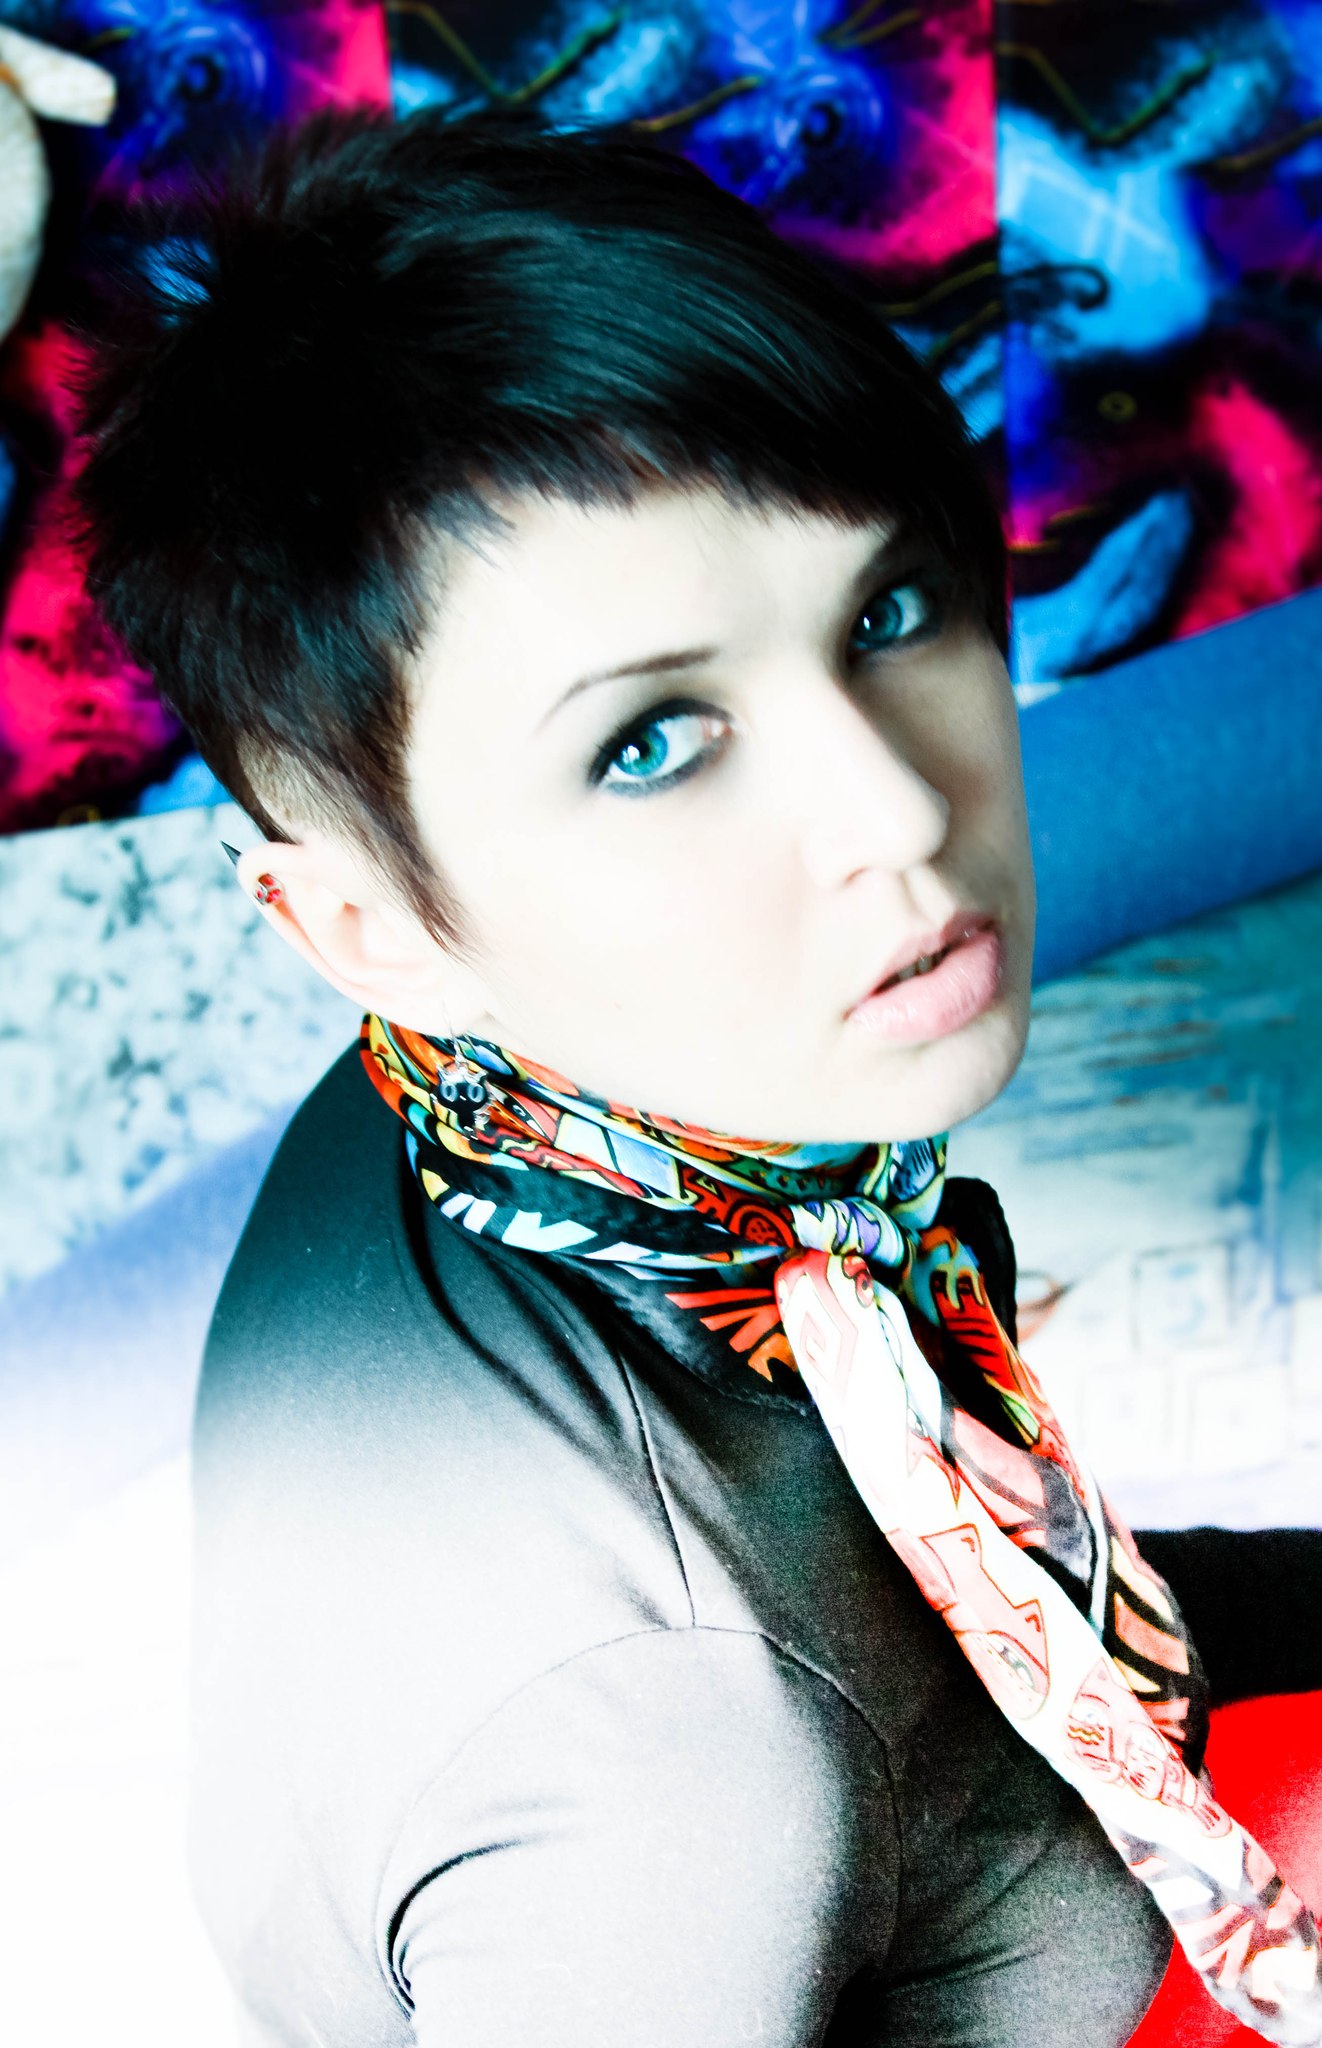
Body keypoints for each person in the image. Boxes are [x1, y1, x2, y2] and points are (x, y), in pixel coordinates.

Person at [71, 102, 1322, 2048]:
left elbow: (962, 1612)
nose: (897, 811)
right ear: (358, 923)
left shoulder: (513, 1088)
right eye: (649, 743)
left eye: (885, 613)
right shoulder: (688, 1779)